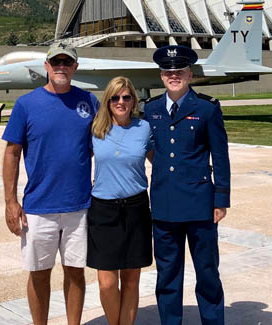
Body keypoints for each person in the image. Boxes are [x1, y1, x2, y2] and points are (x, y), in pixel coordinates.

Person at [2, 41, 99, 325]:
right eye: (55, 62)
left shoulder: (89, 102)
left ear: (75, 68)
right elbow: (12, 153)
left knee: (75, 272)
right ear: (46, 66)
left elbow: (105, 143)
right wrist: (10, 201)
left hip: (78, 205)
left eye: (66, 62)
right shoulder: (26, 105)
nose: (61, 67)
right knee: (39, 273)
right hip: (38, 206)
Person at [144, 45, 231, 325]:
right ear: (161, 76)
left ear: (189, 75)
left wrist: (221, 199)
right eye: (169, 72)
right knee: (168, 275)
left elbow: (219, 156)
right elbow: (149, 149)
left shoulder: (206, 108)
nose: (174, 76)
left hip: (199, 205)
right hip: (164, 205)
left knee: (207, 272)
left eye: (179, 71)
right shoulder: (152, 109)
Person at [87, 76, 153, 325]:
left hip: (136, 208)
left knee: (131, 279)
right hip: (103, 210)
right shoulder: (95, 129)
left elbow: (160, 161)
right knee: (106, 282)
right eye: (115, 97)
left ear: (134, 100)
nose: (121, 102)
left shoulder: (144, 128)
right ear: (107, 101)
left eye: (126, 97)